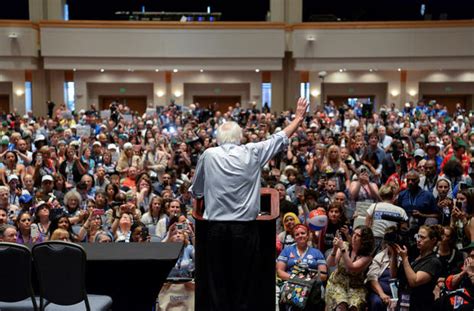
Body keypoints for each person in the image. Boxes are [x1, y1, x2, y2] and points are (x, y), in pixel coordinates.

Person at [190, 97, 309, 310]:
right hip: (244, 231)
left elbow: (197, 191)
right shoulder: (252, 152)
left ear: (218, 138)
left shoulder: (208, 155)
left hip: (215, 229)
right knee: (244, 283)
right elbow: (279, 137)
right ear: (240, 137)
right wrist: (298, 118)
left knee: (218, 283)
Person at [390, 224, 443, 311]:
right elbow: (393, 275)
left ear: (433, 240)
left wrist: (404, 258)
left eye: (422, 237)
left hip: (420, 306)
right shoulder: (413, 256)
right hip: (403, 302)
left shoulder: (433, 262)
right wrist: (393, 254)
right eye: (418, 236)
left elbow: (414, 281)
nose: (418, 240)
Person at [325, 225, 375, 311]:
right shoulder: (345, 245)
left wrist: (342, 249)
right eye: (354, 233)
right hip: (337, 283)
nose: (354, 237)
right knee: (341, 306)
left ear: (365, 240)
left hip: (356, 286)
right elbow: (330, 263)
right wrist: (335, 248)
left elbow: (352, 267)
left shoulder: (367, 257)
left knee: (354, 307)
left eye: (358, 235)